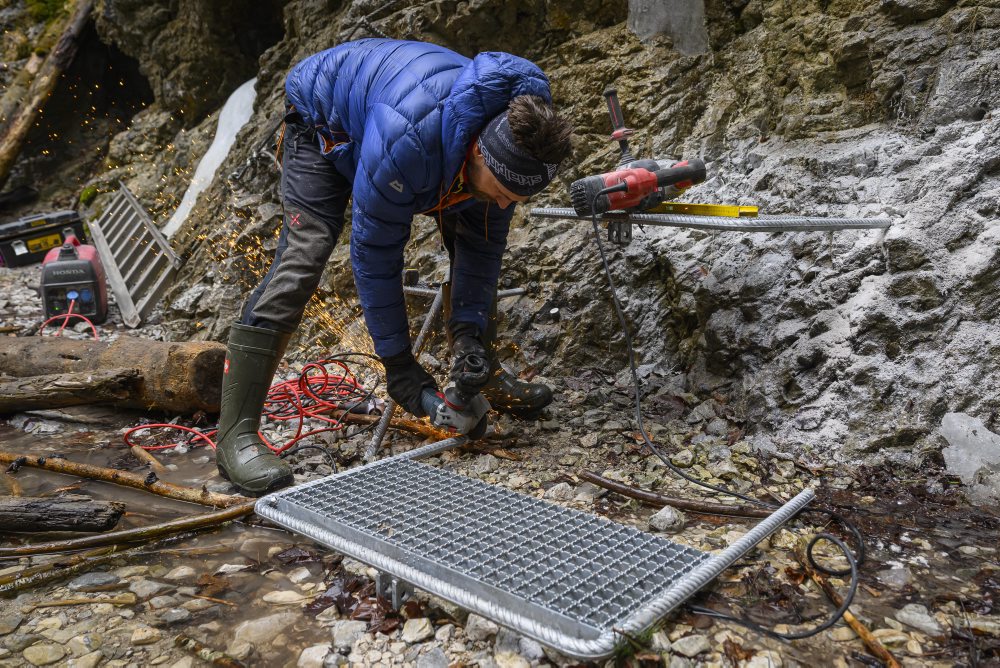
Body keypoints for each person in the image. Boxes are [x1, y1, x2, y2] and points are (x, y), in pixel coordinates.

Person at [215, 38, 574, 496]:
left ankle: (482, 372)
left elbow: (481, 253)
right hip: (325, 123)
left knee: (476, 236)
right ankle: (235, 437)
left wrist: (467, 337)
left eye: (517, 200)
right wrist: (400, 366)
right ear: (480, 153)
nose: (507, 203)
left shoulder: (511, 151)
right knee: (306, 254)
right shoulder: (408, 142)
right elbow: (374, 255)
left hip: (414, 129)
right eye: (504, 192)